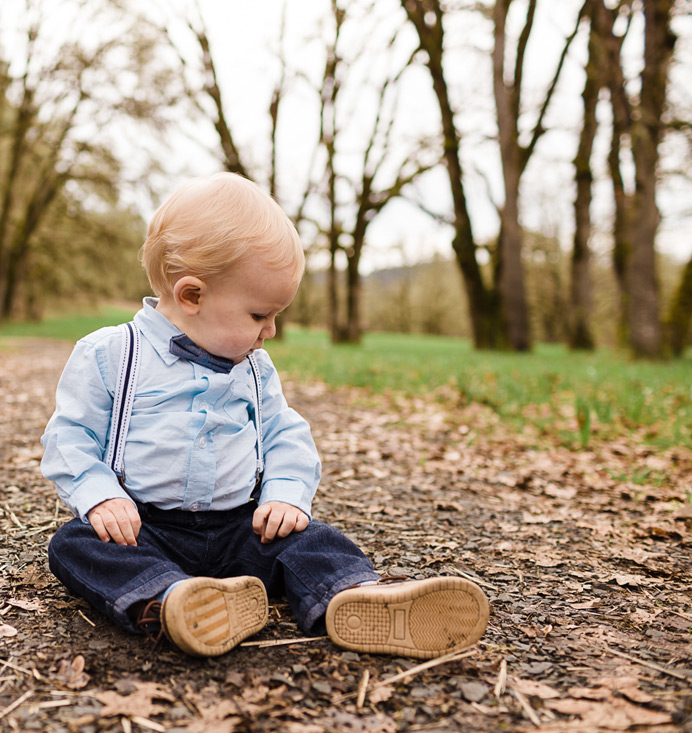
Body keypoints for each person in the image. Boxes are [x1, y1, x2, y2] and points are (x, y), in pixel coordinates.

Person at [41, 172, 488, 658]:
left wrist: (286, 496)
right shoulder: (111, 354)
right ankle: (171, 602)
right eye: (259, 316)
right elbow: (70, 436)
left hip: (240, 529)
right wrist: (101, 497)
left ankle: (353, 600)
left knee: (314, 540)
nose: (270, 331)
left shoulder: (254, 367)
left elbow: (283, 433)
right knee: (75, 545)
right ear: (192, 296)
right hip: (146, 529)